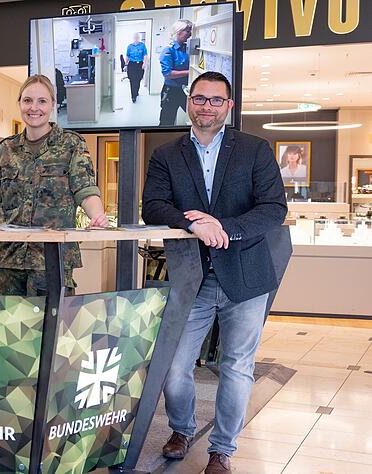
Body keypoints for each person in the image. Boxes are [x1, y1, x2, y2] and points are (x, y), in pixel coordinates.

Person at [141, 71, 287, 474]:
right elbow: (153, 206)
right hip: (193, 277)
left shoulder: (255, 149)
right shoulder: (166, 154)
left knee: (237, 367)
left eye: (216, 100)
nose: (207, 106)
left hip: (247, 276)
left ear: (229, 106)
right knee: (175, 366)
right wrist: (193, 224)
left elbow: (274, 208)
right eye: (199, 98)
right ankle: (182, 429)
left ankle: (221, 450)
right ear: (189, 102)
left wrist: (224, 227)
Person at [0, 74, 108, 296]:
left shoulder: (71, 144)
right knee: (8, 319)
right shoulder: (6, 149)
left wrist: (98, 217)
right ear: (19, 103)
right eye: (27, 100)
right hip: (8, 260)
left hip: (51, 260)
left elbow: (85, 189)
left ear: (53, 104)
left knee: (54, 319)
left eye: (42, 101)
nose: (34, 108)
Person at [159, 19, 193, 126]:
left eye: (190, 31)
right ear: (179, 32)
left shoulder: (187, 48)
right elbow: (167, 74)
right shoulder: (169, 50)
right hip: (171, 91)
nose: (190, 34)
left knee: (194, 117)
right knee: (166, 122)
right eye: (187, 31)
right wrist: (189, 72)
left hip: (186, 90)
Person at [126, 33, 148, 103]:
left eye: (137, 37)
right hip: (132, 64)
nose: (136, 38)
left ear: (139, 38)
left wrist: (144, 63)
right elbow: (127, 56)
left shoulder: (142, 45)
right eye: (135, 37)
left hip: (140, 64)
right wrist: (126, 64)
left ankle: (136, 91)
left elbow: (145, 55)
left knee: (138, 79)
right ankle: (133, 96)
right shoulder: (130, 46)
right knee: (132, 80)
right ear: (133, 38)